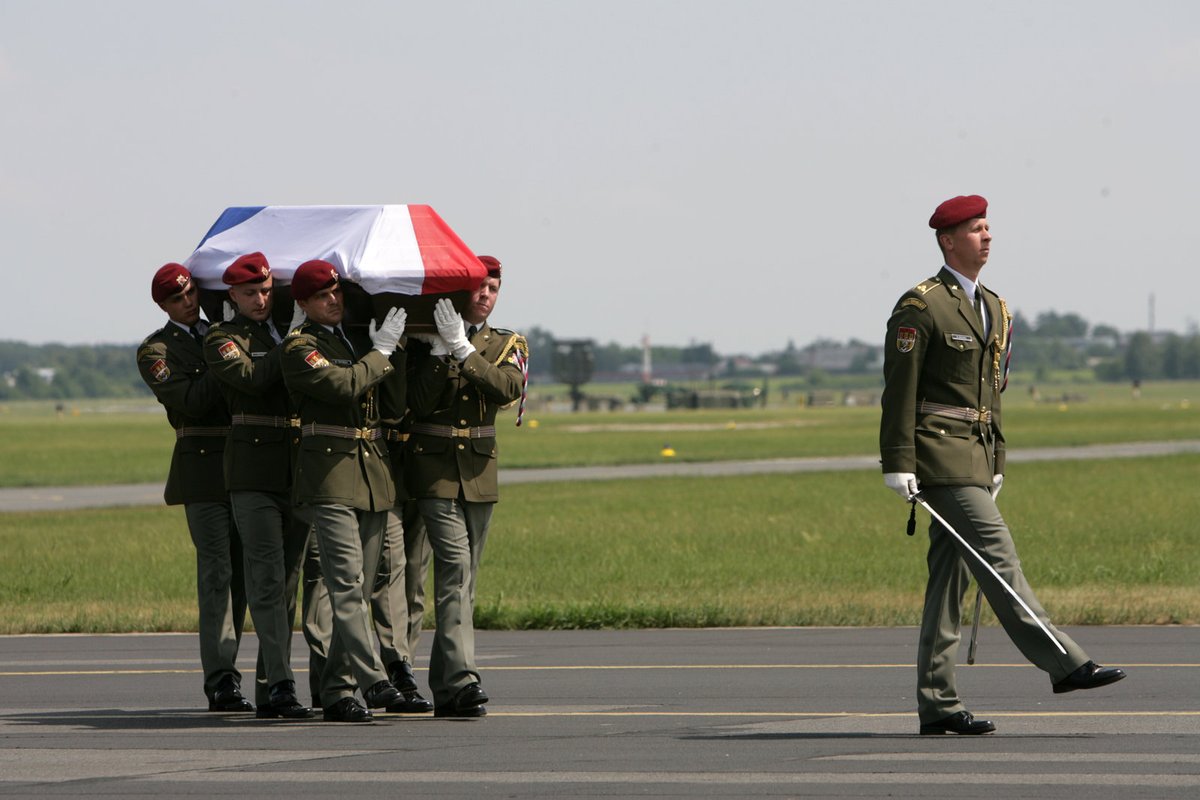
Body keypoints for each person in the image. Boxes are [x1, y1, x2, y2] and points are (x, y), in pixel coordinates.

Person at [880, 195, 1126, 735]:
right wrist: (897, 462)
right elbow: (898, 393)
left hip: (977, 456)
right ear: (948, 241)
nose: (987, 237)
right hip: (938, 457)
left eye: (989, 228)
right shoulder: (921, 307)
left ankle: (937, 705)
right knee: (998, 555)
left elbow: (992, 392)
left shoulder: (995, 306)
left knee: (949, 584)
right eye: (975, 229)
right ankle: (1066, 664)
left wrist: (998, 459)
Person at [280, 259, 409, 723]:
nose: (333, 301)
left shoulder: (355, 341)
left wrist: (396, 353)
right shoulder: (299, 347)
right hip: (329, 476)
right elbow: (343, 385)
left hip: (372, 474)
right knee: (346, 582)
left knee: (364, 581)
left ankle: (337, 691)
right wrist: (381, 355)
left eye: (336, 293)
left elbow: (390, 406)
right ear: (303, 305)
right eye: (321, 296)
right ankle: (374, 678)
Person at [407, 255, 528, 718]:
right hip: (433, 472)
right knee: (454, 568)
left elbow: (505, 388)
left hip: (478, 473)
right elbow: (416, 403)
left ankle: (447, 689)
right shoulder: (425, 342)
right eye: (478, 286)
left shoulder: (508, 342)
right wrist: (440, 351)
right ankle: (463, 678)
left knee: (465, 581)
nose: (484, 295)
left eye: (492, 288)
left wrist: (463, 350)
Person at [136, 263, 251, 713]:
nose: (188, 302)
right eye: (177, 299)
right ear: (164, 306)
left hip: (247, 463)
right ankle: (221, 679)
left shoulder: (225, 331)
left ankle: (237, 673)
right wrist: (229, 357)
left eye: (190, 294)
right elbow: (192, 402)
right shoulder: (156, 351)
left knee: (245, 577)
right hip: (201, 468)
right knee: (216, 573)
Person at [204, 252, 313, 720]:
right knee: (266, 579)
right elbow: (251, 380)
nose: (260, 299)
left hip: (296, 469)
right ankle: (285, 685)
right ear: (231, 295)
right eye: (250, 293)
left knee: (287, 584)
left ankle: (270, 688)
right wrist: (293, 343)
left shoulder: (288, 328)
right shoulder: (223, 339)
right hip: (252, 472)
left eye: (267, 290)